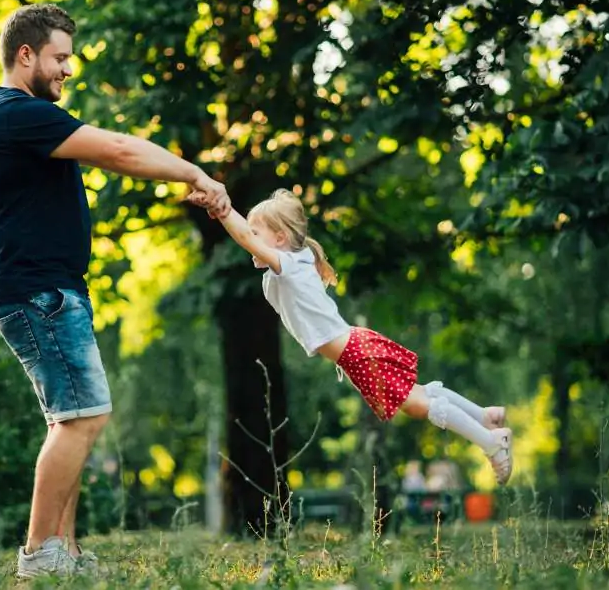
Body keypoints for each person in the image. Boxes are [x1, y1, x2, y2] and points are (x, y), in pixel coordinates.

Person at [0, 2, 231, 579]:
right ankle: (41, 555)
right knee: (82, 418)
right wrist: (195, 174)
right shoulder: (18, 114)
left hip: (45, 288)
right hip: (39, 292)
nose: (67, 69)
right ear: (25, 55)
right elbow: (118, 151)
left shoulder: (19, 117)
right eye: (60, 57)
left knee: (72, 419)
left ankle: (64, 551)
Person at [188, 189, 513, 485]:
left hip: (356, 352)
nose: (250, 240)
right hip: (354, 347)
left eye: (258, 233)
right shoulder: (289, 263)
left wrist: (221, 208)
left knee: (416, 404)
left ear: (279, 238)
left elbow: (245, 236)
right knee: (417, 397)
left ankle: (491, 442)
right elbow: (249, 234)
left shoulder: (287, 263)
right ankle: (484, 415)